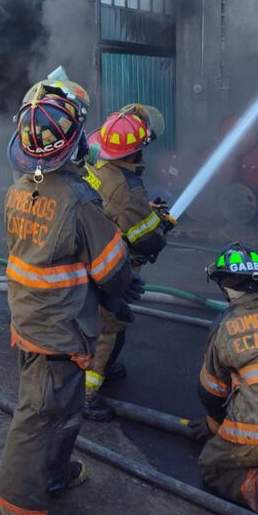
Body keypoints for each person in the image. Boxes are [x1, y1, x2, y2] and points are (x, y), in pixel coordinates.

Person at [0, 78, 140, 515]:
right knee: (37, 418)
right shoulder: (79, 201)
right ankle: (11, 505)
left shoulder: (18, 190)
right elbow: (112, 269)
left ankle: (54, 472)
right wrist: (120, 292)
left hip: (30, 318)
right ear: (74, 146)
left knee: (60, 409)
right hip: (60, 329)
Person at [79, 105, 168, 420]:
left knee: (103, 319)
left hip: (85, 253)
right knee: (109, 328)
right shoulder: (125, 189)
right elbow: (146, 238)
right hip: (109, 264)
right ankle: (87, 394)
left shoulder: (93, 158)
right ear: (136, 150)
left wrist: (146, 209)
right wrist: (160, 225)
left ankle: (104, 368)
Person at [189, 242, 258, 515]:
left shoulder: (225, 325)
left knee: (213, 465)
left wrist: (214, 425)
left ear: (223, 285)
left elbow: (211, 391)